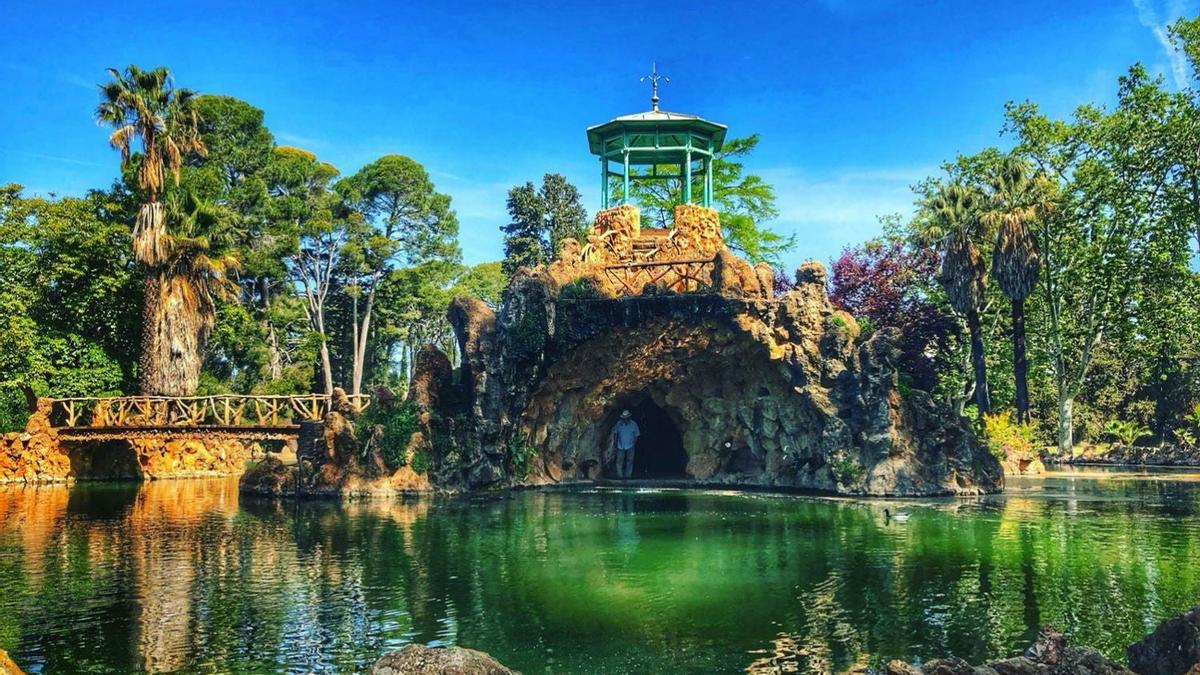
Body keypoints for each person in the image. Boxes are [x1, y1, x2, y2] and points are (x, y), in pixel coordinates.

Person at [610, 410, 640, 478]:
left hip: (630, 445)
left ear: (629, 417)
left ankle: (628, 475)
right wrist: (615, 443)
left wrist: (634, 443)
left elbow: (636, 435)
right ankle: (620, 475)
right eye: (624, 418)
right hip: (620, 445)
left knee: (629, 461)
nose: (625, 419)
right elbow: (615, 433)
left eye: (626, 418)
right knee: (619, 461)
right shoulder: (618, 424)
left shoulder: (634, 424)